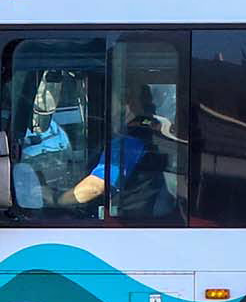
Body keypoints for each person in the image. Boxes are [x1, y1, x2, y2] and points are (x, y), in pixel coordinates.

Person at [65, 81, 177, 220]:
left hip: (135, 222)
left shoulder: (130, 140)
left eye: (109, 100)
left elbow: (95, 187)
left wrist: (55, 200)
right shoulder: (149, 128)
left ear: (126, 102)